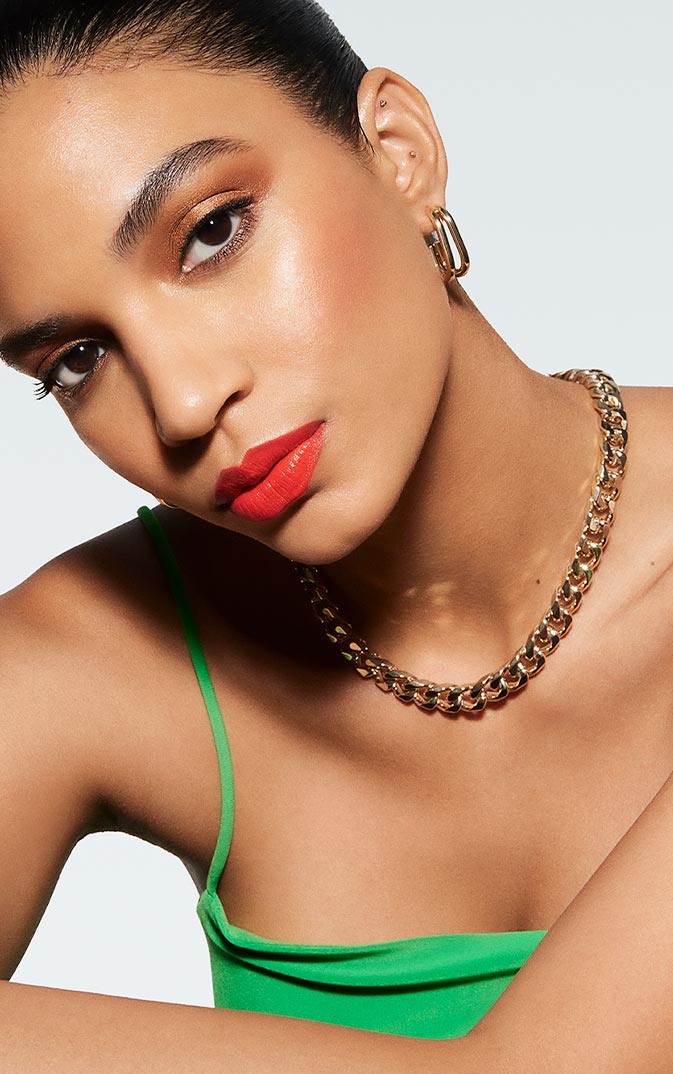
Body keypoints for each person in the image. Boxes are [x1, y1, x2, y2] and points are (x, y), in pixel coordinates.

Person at [1, 0, 672, 1070]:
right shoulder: (95, 655)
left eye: (211, 233)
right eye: (77, 359)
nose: (182, 402)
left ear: (399, 152)